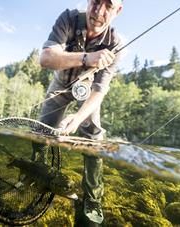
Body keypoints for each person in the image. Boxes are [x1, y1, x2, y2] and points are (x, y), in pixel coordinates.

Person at [35, 0, 123, 225]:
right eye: (96, 1)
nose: (99, 11)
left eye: (108, 5)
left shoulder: (116, 42)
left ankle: (93, 198)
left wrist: (78, 117)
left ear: (117, 11)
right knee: (39, 132)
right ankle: (36, 176)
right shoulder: (68, 18)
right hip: (60, 85)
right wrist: (86, 58)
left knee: (94, 140)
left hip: (88, 94)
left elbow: (100, 90)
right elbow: (45, 58)